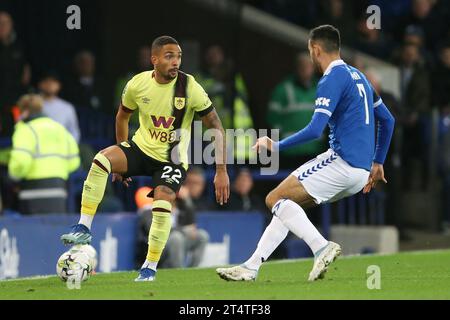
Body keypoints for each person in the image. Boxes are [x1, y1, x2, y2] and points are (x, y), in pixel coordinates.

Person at [217, 25, 395, 282]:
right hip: (361, 171)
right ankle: (251, 266)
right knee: (286, 205)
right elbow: (388, 120)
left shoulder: (331, 78)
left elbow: (315, 130)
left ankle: (321, 247)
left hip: (341, 163)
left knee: (273, 198)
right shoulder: (360, 77)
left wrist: (276, 146)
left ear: (315, 49)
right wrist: (378, 162)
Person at [60, 36, 230, 282]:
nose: (176, 61)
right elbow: (121, 117)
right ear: (155, 60)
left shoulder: (189, 86)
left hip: (172, 159)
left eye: (179, 56)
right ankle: (84, 227)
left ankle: (149, 268)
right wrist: (121, 158)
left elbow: (215, 124)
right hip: (141, 149)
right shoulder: (138, 84)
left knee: (161, 205)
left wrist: (221, 170)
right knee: (101, 160)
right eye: (169, 56)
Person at [8, 94, 80, 214]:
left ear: (24, 112)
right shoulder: (60, 128)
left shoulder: (25, 129)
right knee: (55, 230)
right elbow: (74, 162)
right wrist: (59, 171)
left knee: (33, 230)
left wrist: (14, 176)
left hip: (31, 192)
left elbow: (20, 162)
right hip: (59, 190)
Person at [38, 73, 81, 143]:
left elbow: (74, 132)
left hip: (61, 148)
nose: (50, 84)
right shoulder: (32, 104)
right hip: (38, 147)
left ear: (59, 85)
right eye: (46, 81)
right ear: (40, 84)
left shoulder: (67, 108)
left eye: (53, 81)